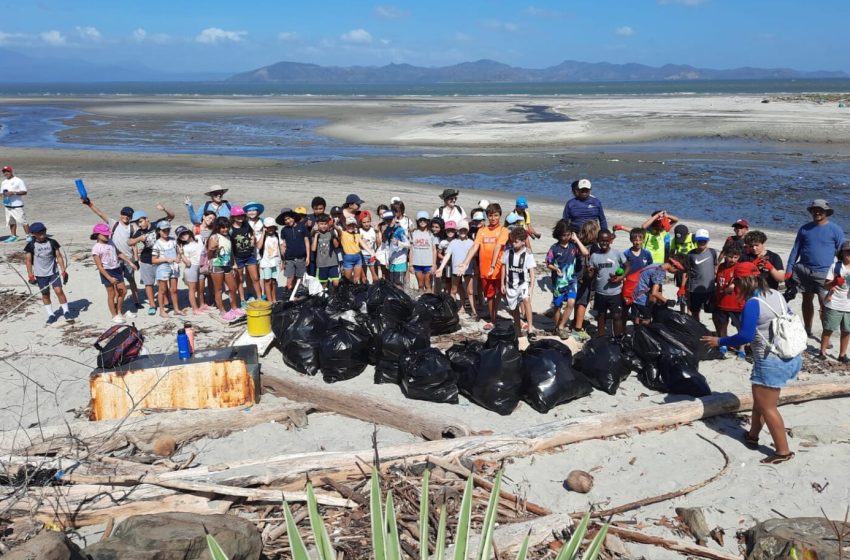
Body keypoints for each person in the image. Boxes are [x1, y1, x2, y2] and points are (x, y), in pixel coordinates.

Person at [702, 261, 802, 464]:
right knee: (762, 402)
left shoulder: (752, 303)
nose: (734, 287)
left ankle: (783, 452)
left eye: (735, 282)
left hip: (770, 360)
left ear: (741, 281)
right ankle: (752, 436)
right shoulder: (776, 294)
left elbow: (745, 336)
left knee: (768, 407)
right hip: (789, 355)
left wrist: (719, 340)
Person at [786, 199, 845, 337]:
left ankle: (826, 335)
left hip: (825, 273)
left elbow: (842, 252)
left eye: (820, 210)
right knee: (806, 301)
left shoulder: (835, 229)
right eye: (814, 209)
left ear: (826, 212)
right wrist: (789, 270)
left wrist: (839, 272)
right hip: (803, 271)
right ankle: (807, 329)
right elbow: (796, 250)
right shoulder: (804, 229)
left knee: (825, 304)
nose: (817, 212)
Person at [459, 203, 510, 330]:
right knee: (490, 297)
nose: (493, 218)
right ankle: (493, 320)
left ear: (500, 216)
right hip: (485, 270)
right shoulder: (481, 231)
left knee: (508, 295)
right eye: (490, 216)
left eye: (496, 215)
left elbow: (498, 247)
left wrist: (493, 265)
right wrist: (465, 262)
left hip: (500, 270)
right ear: (487, 216)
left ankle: (519, 320)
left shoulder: (504, 231)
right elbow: (474, 247)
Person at [84, 200, 142, 309]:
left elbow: (134, 245)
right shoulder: (113, 223)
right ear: (121, 214)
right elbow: (100, 213)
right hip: (114, 260)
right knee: (116, 283)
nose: (126, 216)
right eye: (124, 214)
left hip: (128, 258)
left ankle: (136, 301)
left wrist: (136, 260)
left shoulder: (133, 228)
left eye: (129, 215)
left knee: (131, 280)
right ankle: (116, 302)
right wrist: (89, 204)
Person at [128, 204, 175, 315]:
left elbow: (172, 216)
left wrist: (164, 209)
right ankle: (152, 305)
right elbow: (129, 242)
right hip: (146, 260)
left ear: (146, 219)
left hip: (160, 258)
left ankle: (166, 301)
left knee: (162, 281)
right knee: (149, 284)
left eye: (140, 221)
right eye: (136, 223)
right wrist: (139, 238)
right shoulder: (139, 232)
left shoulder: (156, 225)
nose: (139, 224)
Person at [546, 220, 589, 339]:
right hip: (559, 281)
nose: (566, 237)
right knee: (557, 305)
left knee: (571, 303)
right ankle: (557, 327)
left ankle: (561, 326)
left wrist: (576, 239)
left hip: (571, 279)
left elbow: (585, 253)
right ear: (559, 235)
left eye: (568, 234)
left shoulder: (573, 246)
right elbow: (548, 263)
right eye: (563, 235)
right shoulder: (554, 248)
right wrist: (555, 269)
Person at [24, 222, 72, 324]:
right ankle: (51, 314)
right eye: (39, 232)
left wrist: (63, 270)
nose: (42, 233)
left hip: (53, 272)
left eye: (43, 230)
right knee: (45, 294)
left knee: (59, 291)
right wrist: (30, 275)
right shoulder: (31, 245)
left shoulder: (52, 242)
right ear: (33, 234)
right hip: (40, 274)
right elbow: (28, 261)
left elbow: (59, 256)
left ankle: (66, 311)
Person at [91, 223, 136, 324]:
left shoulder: (111, 242)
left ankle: (119, 311)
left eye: (108, 234)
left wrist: (130, 262)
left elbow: (118, 253)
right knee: (111, 293)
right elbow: (99, 267)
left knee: (123, 291)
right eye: (105, 234)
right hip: (106, 271)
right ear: (97, 234)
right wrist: (109, 278)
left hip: (117, 269)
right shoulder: (96, 248)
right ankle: (114, 315)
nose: (107, 236)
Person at [586, 229, 628, 337]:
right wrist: (589, 273)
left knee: (617, 316)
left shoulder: (617, 253)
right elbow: (591, 275)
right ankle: (601, 338)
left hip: (615, 292)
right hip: (600, 292)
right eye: (601, 241)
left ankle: (618, 338)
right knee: (601, 315)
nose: (604, 243)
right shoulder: (594, 256)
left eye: (606, 240)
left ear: (610, 240)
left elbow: (628, 266)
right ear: (598, 240)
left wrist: (621, 277)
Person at [436, 220, 477, 319]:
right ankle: (452, 310)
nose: (463, 232)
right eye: (461, 230)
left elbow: (474, 257)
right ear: (458, 231)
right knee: (453, 290)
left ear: (467, 231)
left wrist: (476, 269)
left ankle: (474, 312)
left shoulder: (471, 243)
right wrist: (441, 268)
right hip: (455, 270)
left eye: (465, 230)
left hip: (468, 270)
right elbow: (447, 256)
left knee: (470, 291)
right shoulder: (453, 242)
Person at [818, 241, 850, 362]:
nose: (848, 253)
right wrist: (834, 282)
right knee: (828, 329)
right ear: (841, 252)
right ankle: (822, 351)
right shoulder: (835, 266)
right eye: (847, 250)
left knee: (847, 331)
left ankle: (842, 355)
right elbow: (826, 285)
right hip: (834, 303)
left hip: (848, 305)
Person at [502, 228, 537, 338]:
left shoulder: (527, 254)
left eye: (516, 241)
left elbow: (532, 272)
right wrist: (502, 283)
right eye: (512, 241)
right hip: (511, 284)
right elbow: (503, 267)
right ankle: (517, 329)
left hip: (523, 283)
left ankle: (530, 329)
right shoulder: (508, 253)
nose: (513, 243)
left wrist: (531, 287)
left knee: (526, 300)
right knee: (514, 308)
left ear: (523, 241)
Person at [207, 216, 243, 320]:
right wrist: (211, 249)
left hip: (228, 265)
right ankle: (222, 311)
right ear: (218, 227)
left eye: (227, 227)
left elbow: (230, 252)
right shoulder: (214, 237)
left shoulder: (228, 237)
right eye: (222, 227)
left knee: (233, 287)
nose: (225, 229)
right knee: (218, 289)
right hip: (217, 265)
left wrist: (234, 264)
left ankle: (234, 308)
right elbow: (209, 253)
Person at [629, 258, 685, 325]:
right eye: (676, 270)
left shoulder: (658, 265)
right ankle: (641, 333)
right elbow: (654, 292)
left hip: (635, 295)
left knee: (636, 319)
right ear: (673, 266)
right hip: (642, 300)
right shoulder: (660, 271)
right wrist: (667, 301)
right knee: (646, 321)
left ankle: (636, 333)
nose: (675, 272)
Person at [571, 219, 602, 340]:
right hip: (585, 278)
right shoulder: (593, 247)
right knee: (583, 303)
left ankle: (575, 322)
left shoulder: (575, 243)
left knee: (576, 300)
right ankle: (578, 328)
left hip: (574, 276)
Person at [682, 229, 718, 323]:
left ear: (708, 241)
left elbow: (715, 267)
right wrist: (682, 287)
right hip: (695, 289)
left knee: (715, 312)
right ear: (696, 241)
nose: (702, 242)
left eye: (704, 240)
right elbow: (686, 272)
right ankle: (697, 330)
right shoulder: (690, 254)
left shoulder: (713, 252)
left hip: (710, 289)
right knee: (695, 312)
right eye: (699, 240)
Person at [151, 220, 185, 318]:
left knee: (174, 290)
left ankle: (176, 309)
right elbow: (154, 260)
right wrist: (166, 259)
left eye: (168, 230)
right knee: (162, 290)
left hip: (173, 267)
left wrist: (179, 256)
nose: (166, 232)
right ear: (159, 231)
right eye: (164, 230)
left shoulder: (173, 240)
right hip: (163, 267)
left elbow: (178, 252)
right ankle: (162, 310)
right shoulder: (157, 244)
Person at [229, 206, 263, 303]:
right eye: (238, 216)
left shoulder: (246, 224)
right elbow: (230, 246)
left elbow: (252, 233)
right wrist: (233, 261)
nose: (240, 218)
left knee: (255, 278)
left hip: (249, 256)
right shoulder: (231, 229)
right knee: (239, 280)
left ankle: (259, 298)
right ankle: (243, 299)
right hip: (238, 257)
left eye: (242, 216)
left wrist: (252, 240)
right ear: (233, 217)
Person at [713, 244, 744, 347]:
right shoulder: (721, 267)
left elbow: (740, 280)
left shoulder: (739, 267)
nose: (733, 260)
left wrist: (732, 285)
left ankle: (742, 348)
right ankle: (724, 345)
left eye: (736, 257)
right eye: (730, 257)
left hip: (736, 304)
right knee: (722, 325)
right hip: (721, 303)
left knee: (740, 327)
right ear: (725, 255)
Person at [276, 208, 310, 291]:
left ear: (294, 217)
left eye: (289, 218)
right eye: (285, 220)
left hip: (301, 258)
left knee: (300, 278)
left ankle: (298, 295)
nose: (288, 221)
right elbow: (283, 245)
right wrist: (283, 261)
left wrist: (308, 256)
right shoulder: (284, 230)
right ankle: (289, 295)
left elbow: (306, 242)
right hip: (289, 259)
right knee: (289, 278)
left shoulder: (302, 227)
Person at [176, 226, 208, 314]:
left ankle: (202, 304)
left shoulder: (199, 238)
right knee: (192, 290)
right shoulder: (184, 247)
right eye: (181, 235)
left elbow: (206, 245)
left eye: (184, 233)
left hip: (201, 266)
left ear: (189, 232)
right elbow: (188, 263)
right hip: (191, 268)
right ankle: (195, 309)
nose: (183, 236)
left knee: (201, 288)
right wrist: (181, 254)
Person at [339, 216, 375, 284]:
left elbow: (363, 244)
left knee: (356, 279)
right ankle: (348, 291)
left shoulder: (357, 235)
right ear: (345, 225)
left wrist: (371, 253)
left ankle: (354, 292)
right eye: (349, 225)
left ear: (355, 225)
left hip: (358, 258)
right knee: (347, 278)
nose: (351, 226)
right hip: (347, 258)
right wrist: (334, 223)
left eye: (353, 225)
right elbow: (337, 229)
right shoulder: (342, 233)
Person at [256, 217, 284, 303]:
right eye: (268, 227)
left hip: (275, 261)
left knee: (274, 281)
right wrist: (263, 233)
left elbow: (281, 248)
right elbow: (259, 246)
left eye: (272, 227)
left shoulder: (277, 235)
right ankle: (270, 300)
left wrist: (283, 261)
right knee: (267, 281)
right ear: (264, 227)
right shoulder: (261, 236)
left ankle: (274, 299)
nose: (270, 229)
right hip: (265, 262)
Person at [312, 214, 341, 291]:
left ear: (328, 224)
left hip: (333, 263)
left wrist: (333, 234)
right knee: (323, 285)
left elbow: (336, 245)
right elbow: (313, 249)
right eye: (321, 224)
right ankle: (326, 296)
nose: (323, 226)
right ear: (317, 224)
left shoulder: (331, 233)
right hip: (322, 264)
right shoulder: (315, 234)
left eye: (325, 224)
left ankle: (334, 295)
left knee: (336, 282)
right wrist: (315, 236)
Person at [411, 211, 437, 293]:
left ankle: (428, 302)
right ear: (417, 221)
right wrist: (411, 265)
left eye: (424, 220)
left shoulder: (431, 234)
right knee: (421, 285)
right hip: (417, 262)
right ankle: (421, 302)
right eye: (420, 220)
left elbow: (434, 250)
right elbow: (411, 250)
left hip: (428, 263)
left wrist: (434, 264)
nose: (422, 222)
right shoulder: (414, 233)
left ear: (428, 221)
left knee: (428, 284)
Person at [1, 165, 29, 243]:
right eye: (4, 172)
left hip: (17, 204)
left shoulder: (18, 180)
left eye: (7, 171)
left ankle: (28, 236)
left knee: (23, 221)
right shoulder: (4, 182)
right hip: (7, 204)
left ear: (11, 171)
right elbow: (1, 193)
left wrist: (13, 192)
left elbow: (25, 192)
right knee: (11, 221)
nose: (6, 173)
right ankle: (13, 236)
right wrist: (3, 196)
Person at [359, 211, 381, 284]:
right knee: (363, 277)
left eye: (368, 222)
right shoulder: (359, 231)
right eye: (364, 222)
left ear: (370, 221)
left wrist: (377, 233)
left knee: (375, 276)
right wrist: (361, 243)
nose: (366, 224)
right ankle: (365, 292)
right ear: (361, 222)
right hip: (362, 255)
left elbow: (378, 244)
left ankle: (375, 291)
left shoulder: (373, 230)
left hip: (372, 255)